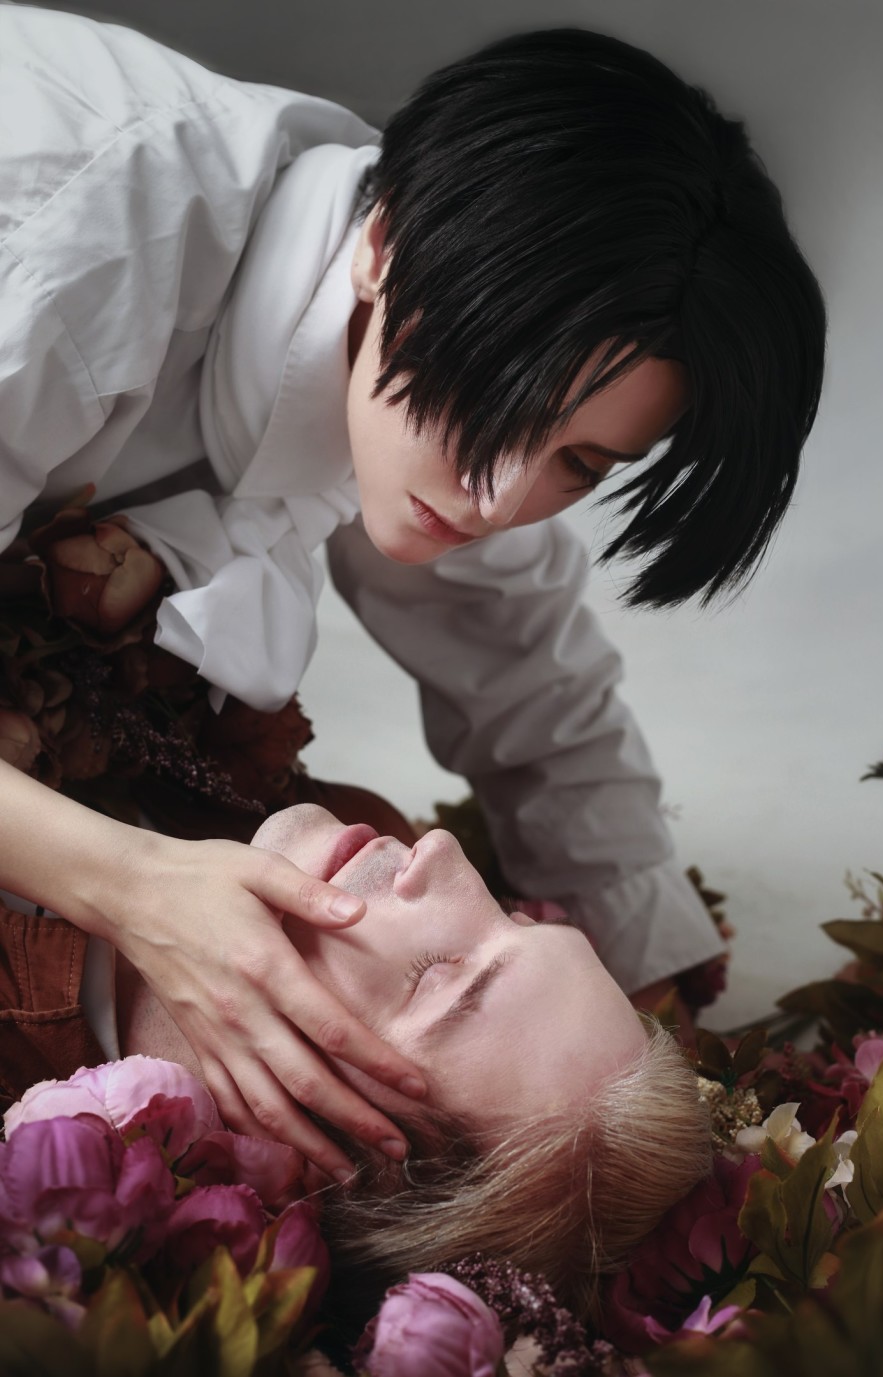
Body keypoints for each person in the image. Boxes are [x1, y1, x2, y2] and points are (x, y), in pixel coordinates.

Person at [0, 7, 825, 1179]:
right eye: (501, 406)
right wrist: (132, 887)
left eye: (581, 464)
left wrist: (632, 962)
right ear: (380, 243)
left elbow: (518, 654)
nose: (496, 497)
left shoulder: (442, 334)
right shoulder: (75, 255)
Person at [0, 800, 712, 1328]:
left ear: (290, 1158)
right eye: (513, 913)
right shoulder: (332, 818)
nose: (441, 850)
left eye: (435, 974)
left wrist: (123, 876)